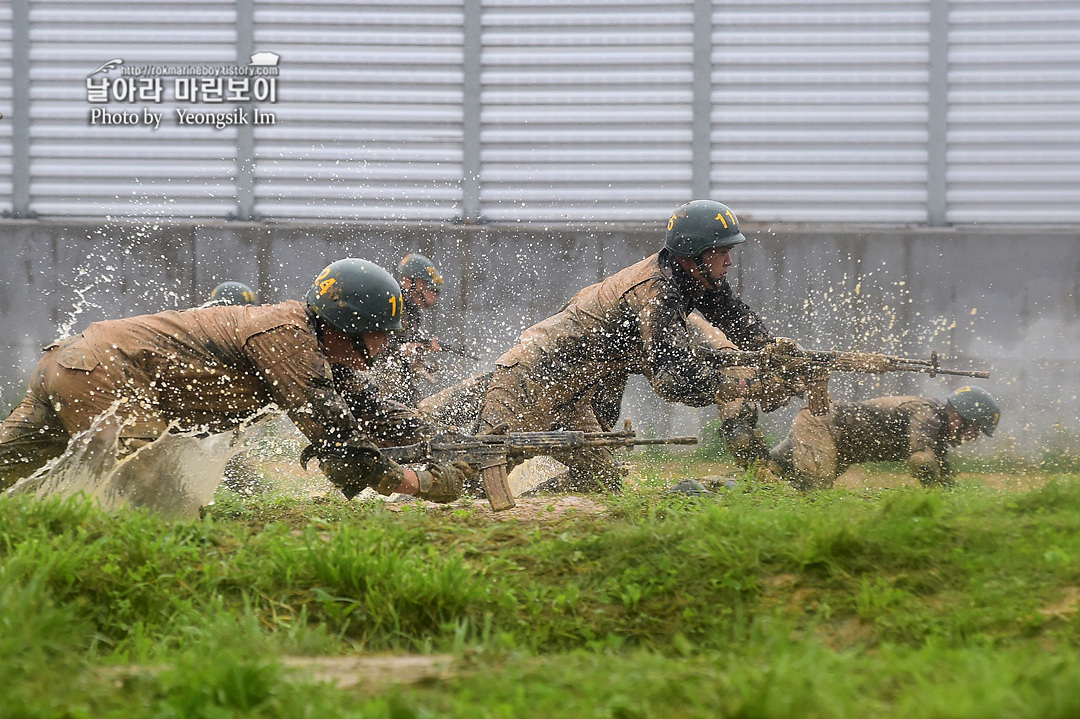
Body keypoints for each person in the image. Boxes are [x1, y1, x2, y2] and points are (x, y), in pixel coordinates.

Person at [0, 258, 470, 503]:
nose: (385, 346)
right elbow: (339, 443)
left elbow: (372, 411)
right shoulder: (288, 338)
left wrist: (447, 441)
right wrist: (420, 483)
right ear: (346, 326)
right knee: (155, 495)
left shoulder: (307, 339)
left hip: (75, 363)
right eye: (378, 334)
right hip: (102, 374)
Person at [421, 199, 803, 493]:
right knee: (476, 482)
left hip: (576, 394)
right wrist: (747, 386)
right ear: (696, 254)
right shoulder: (656, 292)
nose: (730, 260)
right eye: (722, 251)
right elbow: (672, 378)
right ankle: (399, 491)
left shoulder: (693, 276)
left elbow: (737, 319)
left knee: (606, 482)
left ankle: (536, 504)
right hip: (533, 381)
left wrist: (776, 355)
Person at [767, 386, 1001, 490]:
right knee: (813, 493)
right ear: (962, 417)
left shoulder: (937, 430)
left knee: (769, 471)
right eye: (975, 429)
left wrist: (949, 495)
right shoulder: (927, 413)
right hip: (823, 425)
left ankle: (740, 485)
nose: (972, 437)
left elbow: (943, 475)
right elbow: (921, 460)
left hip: (837, 442)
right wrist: (934, 491)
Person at [370, 253, 448, 405]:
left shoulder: (412, 313)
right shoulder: (390, 303)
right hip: (377, 376)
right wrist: (402, 348)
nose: (434, 295)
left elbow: (406, 345)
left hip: (398, 379)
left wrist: (421, 350)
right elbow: (374, 342)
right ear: (412, 282)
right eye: (430, 288)